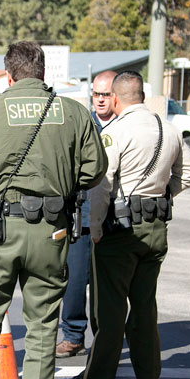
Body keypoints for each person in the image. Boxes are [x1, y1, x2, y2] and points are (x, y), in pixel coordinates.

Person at [0, 41, 107, 379]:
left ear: (9, 74)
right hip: (52, 231)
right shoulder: (72, 111)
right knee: (43, 322)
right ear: (43, 72)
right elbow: (94, 170)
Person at [60, 71, 190, 379]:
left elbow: (101, 185)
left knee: (109, 308)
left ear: (118, 99)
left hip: (119, 230)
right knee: (145, 305)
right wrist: (162, 196)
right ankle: (148, 377)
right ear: (144, 97)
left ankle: (97, 378)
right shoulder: (170, 129)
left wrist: (94, 228)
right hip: (156, 228)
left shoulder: (116, 131)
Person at [57, 70, 118, 358]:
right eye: (96, 94)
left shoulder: (125, 126)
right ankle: (73, 334)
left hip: (116, 217)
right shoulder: (81, 123)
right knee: (75, 279)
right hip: (81, 216)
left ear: (116, 95)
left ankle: (110, 339)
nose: (101, 100)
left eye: (106, 94)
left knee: (110, 285)